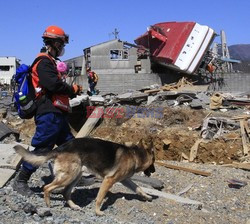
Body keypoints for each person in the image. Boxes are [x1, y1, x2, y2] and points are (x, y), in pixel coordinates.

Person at [13, 25, 82, 197]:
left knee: (72, 147)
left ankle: (71, 177)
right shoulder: (43, 62)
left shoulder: (50, 62)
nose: (62, 48)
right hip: (48, 113)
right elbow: (52, 84)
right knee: (43, 149)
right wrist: (72, 89)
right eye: (61, 44)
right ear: (54, 43)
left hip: (57, 114)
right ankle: (21, 180)